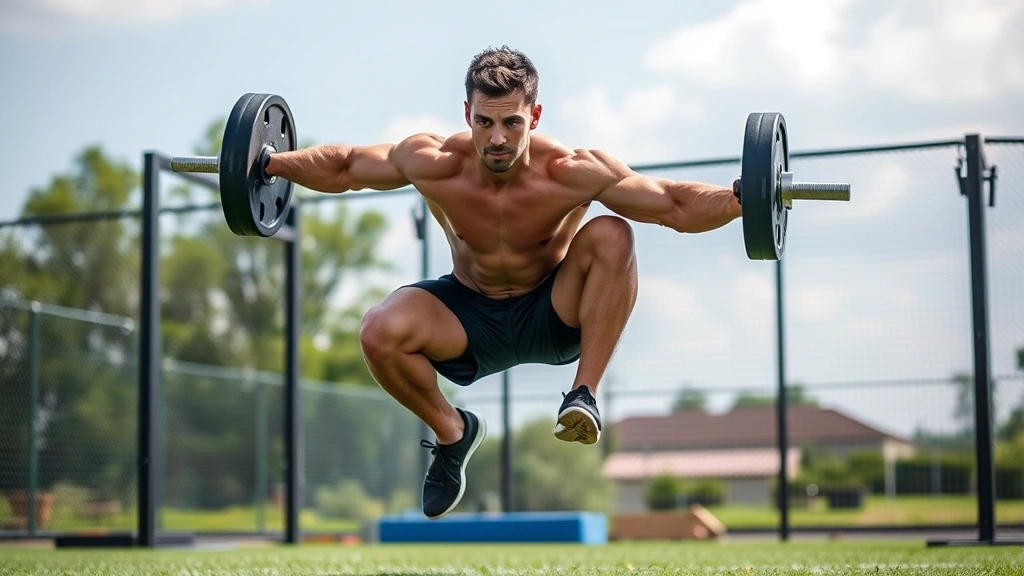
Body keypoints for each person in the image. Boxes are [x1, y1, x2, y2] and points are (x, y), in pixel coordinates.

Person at [264, 46, 741, 519]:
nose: (497, 138)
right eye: (484, 122)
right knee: (378, 331)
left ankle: (583, 395)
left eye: (511, 122)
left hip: (554, 312)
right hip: (469, 317)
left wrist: (742, 199)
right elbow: (347, 167)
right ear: (467, 114)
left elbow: (673, 205)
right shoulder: (433, 161)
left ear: (534, 116)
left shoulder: (572, 172)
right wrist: (269, 165)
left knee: (614, 234)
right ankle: (453, 432)